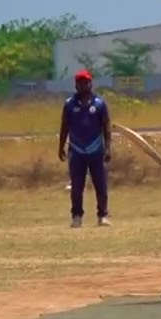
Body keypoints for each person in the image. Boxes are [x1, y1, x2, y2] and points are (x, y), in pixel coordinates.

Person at [58, 69, 112, 228]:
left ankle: (102, 215)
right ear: (76, 85)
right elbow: (64, 127)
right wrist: (60, 146)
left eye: (86, 82)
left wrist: (108, 148)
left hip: (96, 150)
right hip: (76, 150)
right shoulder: (69, 104)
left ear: (91, 83)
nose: (84, 85)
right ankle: (76, 216)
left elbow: (106, 127)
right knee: (77, 186)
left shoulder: (99, 104)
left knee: (100, 185)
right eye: (80, 83)